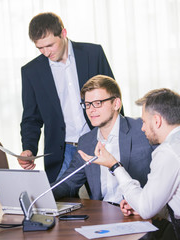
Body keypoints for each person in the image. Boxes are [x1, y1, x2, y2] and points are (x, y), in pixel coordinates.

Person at [18, 12, 118, 183]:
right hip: (61, 151)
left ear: (63, 33)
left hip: (99, 144)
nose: (45, 52)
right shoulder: (31, 71)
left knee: (106, 202)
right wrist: (28, 149)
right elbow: (31, 118)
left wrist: (117, 140)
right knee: (59, 205)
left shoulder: (93, 54)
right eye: (40, 48)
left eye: (49, 45)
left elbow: (113, 99)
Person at [80, 88, 180, 239]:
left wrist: (114, 165)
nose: (142, 127)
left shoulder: (166, 152)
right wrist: (140, 204)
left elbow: (147, 209)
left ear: (157, 121)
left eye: (144, 121)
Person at [52, 75, 154, 206]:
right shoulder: (86, 142)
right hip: (101, 214)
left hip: (139, 211)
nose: (91, 110)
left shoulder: (142, 129)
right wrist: (36, 195)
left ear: (116, 104)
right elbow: (68, 182)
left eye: (98, 103)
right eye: (87, 104)